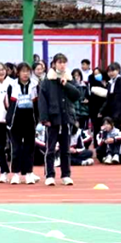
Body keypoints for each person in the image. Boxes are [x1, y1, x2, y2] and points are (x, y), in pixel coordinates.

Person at [37, 53, 81, 186]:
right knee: (50, 148)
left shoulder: (69, 79)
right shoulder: (47, 81)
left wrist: (67, 85)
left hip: (66, 118)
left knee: (65, 149)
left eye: (64, 62)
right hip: (53, 119)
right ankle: (49, 174)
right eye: (59, 62)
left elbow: (77, 95)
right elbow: (42, 101)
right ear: (54, 64)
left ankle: (66, 175)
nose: (62, 65)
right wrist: (44, 118)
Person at [8, 62, 39, 184]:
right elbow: (7, 103)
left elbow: (38, 104)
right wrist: (10, 117)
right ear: (18, 73)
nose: (25, 74)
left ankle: (28, 173)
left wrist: (39, 119)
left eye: (27, 71)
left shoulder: (35, 85)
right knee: (16, 148)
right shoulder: (12, 85)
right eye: (23, 71)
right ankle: (15, 173)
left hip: (30, 120)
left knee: (29, 148)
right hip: (16, 120)